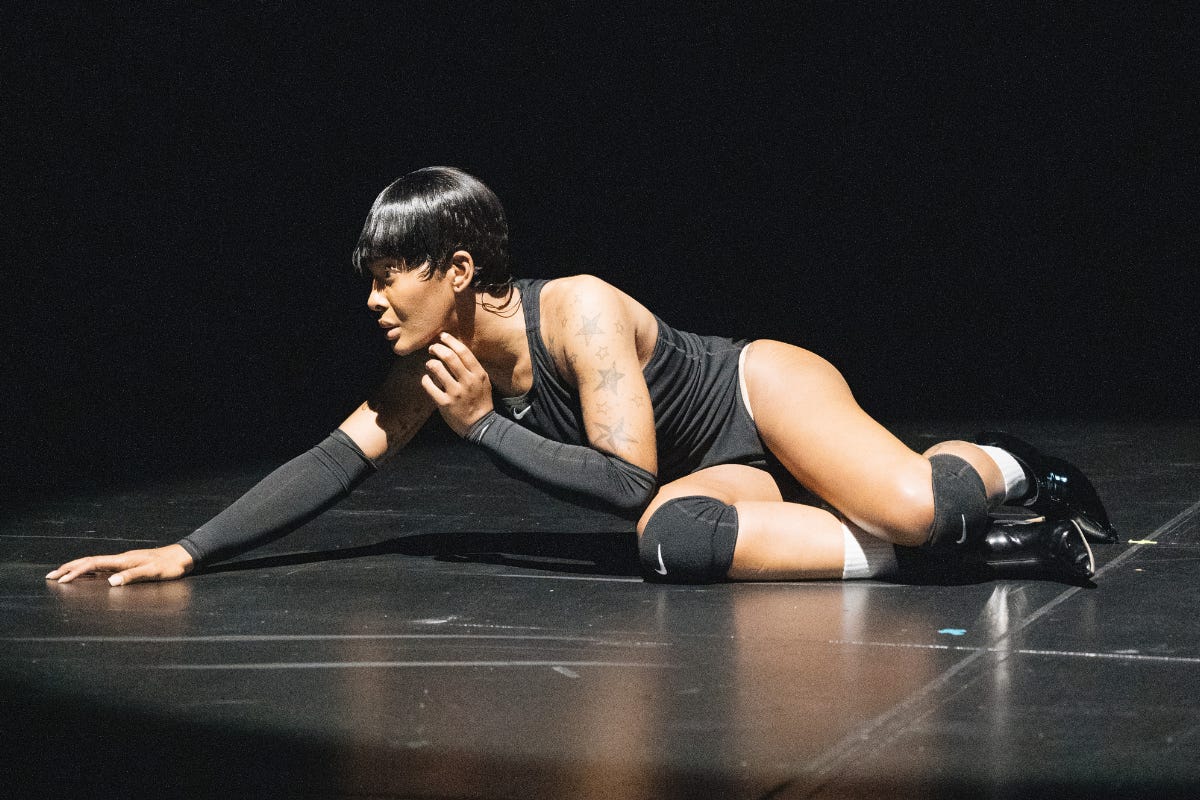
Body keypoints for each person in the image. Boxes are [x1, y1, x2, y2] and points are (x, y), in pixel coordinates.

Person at [46, 167, 1116, 588]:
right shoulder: (433, 366)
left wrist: (486, 428)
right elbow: (337, 460)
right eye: (366, 283)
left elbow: (615, 474)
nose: (374, 303)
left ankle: (1014, 469)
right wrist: (187, 550)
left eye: (391, 279)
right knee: (669, 543)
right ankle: (946, 558)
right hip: (712, 474)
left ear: (459, 271)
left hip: (756, 394)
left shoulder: (583, 310)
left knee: (909, 503)